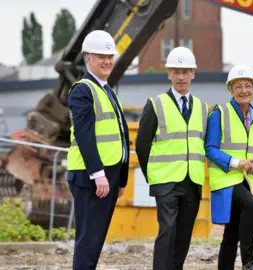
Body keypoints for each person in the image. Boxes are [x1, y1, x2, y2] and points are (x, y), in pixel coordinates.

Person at [135, 46, 209, 270]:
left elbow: (204, 144)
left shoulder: (203, 108)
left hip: (192, 182)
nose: (181, 77)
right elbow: (141, 146)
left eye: (185, 72)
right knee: (167, 230)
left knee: (184, 234)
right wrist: (154, 177)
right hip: (165, 182)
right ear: (169, 74)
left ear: (193, 74)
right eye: (176, 72)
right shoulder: (155, 105)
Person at [66, 30, 130, 270]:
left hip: (107, 177)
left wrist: (120, 178)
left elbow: (120, 136)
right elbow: (84, 136)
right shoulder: (83, 90)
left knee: (95, 240)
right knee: (88, 242)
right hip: (90, 177)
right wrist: (98, 174)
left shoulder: (107, 90)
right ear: (87, 58)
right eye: (100, 56)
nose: (106, 61)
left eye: (109, 56)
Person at [205, 64, 253, 270]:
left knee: (230, 234)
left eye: (248, 86)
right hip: (226, 179)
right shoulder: (219, 114)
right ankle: (248, 260)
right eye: (238, 86)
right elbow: (210, 149)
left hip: (247, 181)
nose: (243, 91)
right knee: (252, 205)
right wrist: (237, 163)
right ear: (230, 90)